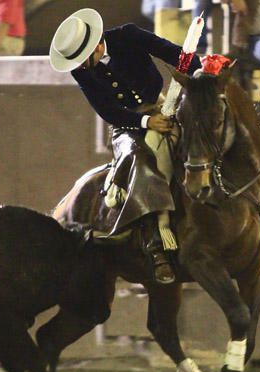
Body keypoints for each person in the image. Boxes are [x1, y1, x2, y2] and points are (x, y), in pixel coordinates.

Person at [50, 9, 201, 284]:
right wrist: (146, 122)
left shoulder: (129, 35)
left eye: (82, 59)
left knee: (205, 138)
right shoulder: (81, 70)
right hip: (128, 125)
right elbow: (108, 110)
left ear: (95, 45)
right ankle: (156, 243)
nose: (80, 67)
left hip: (162, 103)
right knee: (140, 157)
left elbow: (174, 54)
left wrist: (201, 72)